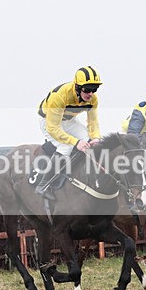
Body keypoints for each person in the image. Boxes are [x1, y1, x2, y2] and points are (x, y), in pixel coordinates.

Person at [35, 66, 102, 194]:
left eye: (94, 89)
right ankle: (44, 184)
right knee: (66, 147)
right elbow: (53, 128)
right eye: (87, 89)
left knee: (88, 142)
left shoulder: (93, 99)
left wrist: (96, 138)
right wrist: (76, 142)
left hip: (69, 120)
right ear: (77, 87)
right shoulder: (59, 96)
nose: (91, 94)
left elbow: (93, 122)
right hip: (48, 121)